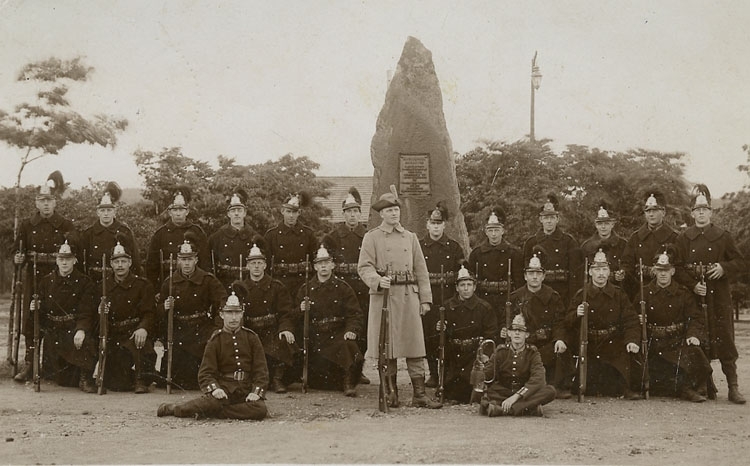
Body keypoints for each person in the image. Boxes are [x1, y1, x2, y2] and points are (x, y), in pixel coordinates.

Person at [358, 185, 442, 409]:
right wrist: (377, 280)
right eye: (389, 210)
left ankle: (419, 395)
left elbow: (421, 269)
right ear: (381, 214)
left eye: (396, 209)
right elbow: (364, 267)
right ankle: (390, 393)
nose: (394, 213)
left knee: (415, 345)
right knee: (388, 347)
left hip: (408, 296)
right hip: (384, 297)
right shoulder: (372, 237)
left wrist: (425, 299)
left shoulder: (410, 237)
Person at [674, 185, 746, 404]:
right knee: (697, 338)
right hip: (695, 296)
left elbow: (740, 261)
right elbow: (677, 267)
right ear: (692, 213)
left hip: (719, 296)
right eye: (697, 209)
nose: (701, 213)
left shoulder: (723, 236)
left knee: (725, 338)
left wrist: (724, 267)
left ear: (711, 212)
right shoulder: (684, 238)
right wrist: (693, 284)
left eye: (705, 209)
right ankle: (703, 384)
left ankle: (733, 387)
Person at [157, 293, 269, 420]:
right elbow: (205, 373)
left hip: (246, 389)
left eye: (237, 313)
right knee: (211, 402)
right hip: (224, 389)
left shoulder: (251, 338)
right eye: (229, 313)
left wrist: (255, 392)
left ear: (242, 314)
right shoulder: (216, 340)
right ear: (221, 315)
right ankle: (175, 409)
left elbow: (261, 371)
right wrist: (215, 389)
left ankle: (212, 412)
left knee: (260, 409)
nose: (233, 317)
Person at [13, 171, 77, 382]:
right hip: (33, 275)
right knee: (31, 316)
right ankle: (30, 363)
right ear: (36, 203)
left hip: (56, 276)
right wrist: (18, 257)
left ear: (55, 202)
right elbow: (16, 249)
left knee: (54, 315)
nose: (46, 204)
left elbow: (75, 247)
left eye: (49, 200)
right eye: (42, 200)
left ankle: (53, 364)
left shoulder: (65, 224)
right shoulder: (27, 225)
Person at [568, 249, 642, 399]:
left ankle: (624, 388)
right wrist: (576, 313)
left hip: (612, 342)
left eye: (604, 269)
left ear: (609, 272)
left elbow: (631, 320)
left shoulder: (619, 294)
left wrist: (632, 340)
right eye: (597, 269)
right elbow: (567, 322)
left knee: (622, 367)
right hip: (589, 343)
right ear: (590, 272)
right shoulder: (581, 294)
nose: (600, 274)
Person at [642, 250, 713, 402]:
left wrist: (692, 335)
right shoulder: (644, 293)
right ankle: (682, 389)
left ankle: (688, 388)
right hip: (653, 342)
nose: (663, 274)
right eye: (659, 270)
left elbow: (695, 317)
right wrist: (639, 319)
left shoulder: (683, 293)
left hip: (676, 340)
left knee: (694, 352)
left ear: (672, 271)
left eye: (666, 270)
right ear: (654, 271)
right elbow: (633, 317)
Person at [27, 241, 98, 392]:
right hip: (53, 331)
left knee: (84, 342)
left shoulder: (85, 282)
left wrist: (81, 329)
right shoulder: (46, 281)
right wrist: (36, 308)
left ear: (75, 260)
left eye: (68, 258)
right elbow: (42, 310)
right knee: (62, 380)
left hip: (73, 328)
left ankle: (84, 378)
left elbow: (86, 312)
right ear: (56, 260)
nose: (64, 262)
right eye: (61, 258)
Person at [296, 243, 364, 396]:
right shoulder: (305, 289)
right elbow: (294, 317)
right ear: (315, 267)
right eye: (320, 263)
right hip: (315, 336)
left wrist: (351, 330)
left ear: (333, 265)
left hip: (337, 333)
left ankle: (348, 383)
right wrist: (301, 309)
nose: (323, 266)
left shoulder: (343, 288)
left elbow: (355, 314)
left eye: (327, 262)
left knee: (348, 344)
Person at [160, 232, 226, 389]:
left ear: (196, 260)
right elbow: (159, 309)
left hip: (201, 328)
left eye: (190, 259)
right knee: (175, 377)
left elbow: (222, 302)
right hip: (179, 329)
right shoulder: (170, 282)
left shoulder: (207, 280)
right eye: (183, 259)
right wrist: (165, 307)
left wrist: (217, 327)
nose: (186, 263)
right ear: (178, 261)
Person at [231, 240, 296, 394]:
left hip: (271, 329)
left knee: (283, 341)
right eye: (253, 263)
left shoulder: (276, 286)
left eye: (260, 263)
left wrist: (285, 328)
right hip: (250, 329)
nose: (256, 266)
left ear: (265, 265)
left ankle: (277, 379)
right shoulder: (240, 287)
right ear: (247, 266)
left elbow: (286, 312)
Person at [509, 253, 574, 399]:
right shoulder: (515, 297)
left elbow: (559, 322)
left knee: (560, 349)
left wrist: (559, 339)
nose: (534, 277)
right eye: (531, 273)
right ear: (525, 276)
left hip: (546, 344)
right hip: (524, 344)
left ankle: (557, 386)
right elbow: (507, 322)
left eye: (538, 273)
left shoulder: (553, 296)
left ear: (543, 276)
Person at [323, 187, 371, 384]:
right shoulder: (332, 237)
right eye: (349, 211)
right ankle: (343, 368)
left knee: (363, 328)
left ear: (360, 213)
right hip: (341, 288)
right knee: (342, 327)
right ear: (343, 214)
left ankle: (358, 369)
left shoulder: (368, 236)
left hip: (363, 288)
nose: (352, 215)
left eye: (355, 211)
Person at [99, 238, 157, 393]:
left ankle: (141, 379)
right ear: (111, 264)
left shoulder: (142, 285)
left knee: (142, 346)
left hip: (134, 331)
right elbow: (94, 316)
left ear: (130, 263)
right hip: (114, 334)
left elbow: (149, 313)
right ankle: (131, 378)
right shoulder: (103, 286)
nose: (120, 265)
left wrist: (143, 328)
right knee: (117, 384)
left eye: (123, 261)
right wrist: (101, 313)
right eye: (116, 262)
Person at [420, 201, 466, 388]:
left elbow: (461, 272)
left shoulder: (454, 247)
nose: (436, 227)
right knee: (429, 336)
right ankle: (433, 373)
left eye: (439, 224)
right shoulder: (420, 246)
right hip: (428, 298)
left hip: (448, 298)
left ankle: (447, 374)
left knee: (448, 335)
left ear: (444, 225)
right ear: (427, 225)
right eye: (433, 223)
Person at [435, 265, 496, 403]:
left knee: (470, 388)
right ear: (457, 288)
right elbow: (441, 337)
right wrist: (441, 328)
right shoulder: (447, 306)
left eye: (469, 284)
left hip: (474, 354)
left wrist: (485, 354)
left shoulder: (484, 307)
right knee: (451, 389)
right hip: (454, 354)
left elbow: (491, 334)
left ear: (474, 287)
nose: (466, 288)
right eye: (462, 285)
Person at [480, 314, 556, 417]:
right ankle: (529, 408)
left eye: (521, 331)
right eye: (514, 330)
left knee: (550, 391)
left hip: (524, 393)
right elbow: (487, 375)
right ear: (509, 333)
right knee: (483, 392)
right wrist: (479, 370)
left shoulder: (532, 353)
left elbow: (539, 378)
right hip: (503, 392)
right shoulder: (500, 351)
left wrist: (515, 397)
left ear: (527, 335)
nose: (517, 333)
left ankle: (503, 410)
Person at [466, 208, 522, 336]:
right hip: (484, 300)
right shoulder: (477, 254)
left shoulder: (514, 253)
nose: (494, 234)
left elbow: (519, 284)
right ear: (486, 232)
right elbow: (472, 282)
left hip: (506, 300)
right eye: (490, 230)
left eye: (496, 230)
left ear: (503, 230)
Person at [523, 194, 582, 307]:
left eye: (552, 217)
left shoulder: (568, 242)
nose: (549, 221)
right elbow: (526, 275)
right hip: (539, 293)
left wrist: (573, 301)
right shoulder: (531, 243)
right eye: (546, 218)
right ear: (541, 219)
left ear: (557, 219)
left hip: (563, 292)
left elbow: (575, 275)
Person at [146, 186, 210, 288]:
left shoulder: (197, 232)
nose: (178, 213)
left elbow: (205, 263)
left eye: (181, 209)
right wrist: (155, 290)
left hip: (194, 285)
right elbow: (152, 266)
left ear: (187, 211)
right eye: (175, 210)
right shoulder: (160, 234)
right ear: (170, 212)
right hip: (168, 285)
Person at [620, 189, 678, 300]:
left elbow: (679, 268)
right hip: (640, 291)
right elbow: (627, 264)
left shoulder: (674, 237)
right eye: (648, 210)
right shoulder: (635, 238)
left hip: (667, 293)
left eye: (655, 210)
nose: (651, 214)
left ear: (663, 212)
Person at [79, 181, 141, 280]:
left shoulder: (124, 232)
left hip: (119, 281)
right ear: (98, 212)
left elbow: (135, 261)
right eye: (102, 210)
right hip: (93, 282)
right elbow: (81, 262)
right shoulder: (88, 234)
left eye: (109, 210)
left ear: (114, 211)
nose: (106, 214)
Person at [264, 191, 318, 298]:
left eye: (294, 212)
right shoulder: (271, 235)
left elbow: (315, 262)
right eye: (288, 211)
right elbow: (266, 265)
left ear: (299, 213)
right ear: (282, 211)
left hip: (303, 283)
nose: (291, 216)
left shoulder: (308, 234)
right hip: (279, 283)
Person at [208, 190, 257, 292]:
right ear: (228, 214)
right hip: (223, 286)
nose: (236, 214)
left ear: (245, 212)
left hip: (249, 286)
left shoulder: (255, 237)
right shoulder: (216, 238)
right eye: (233, 210)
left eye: (239, 210)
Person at [580, 201, 626, 289]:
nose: (603, 227)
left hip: (617, 289)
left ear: (612, 224)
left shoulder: (623, 245)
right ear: (596, 225)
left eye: (606, 223)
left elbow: (627, 267)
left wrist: (622, 273)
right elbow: (581, 274)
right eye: (600, 223)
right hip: (593, 290)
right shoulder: (586, 246)